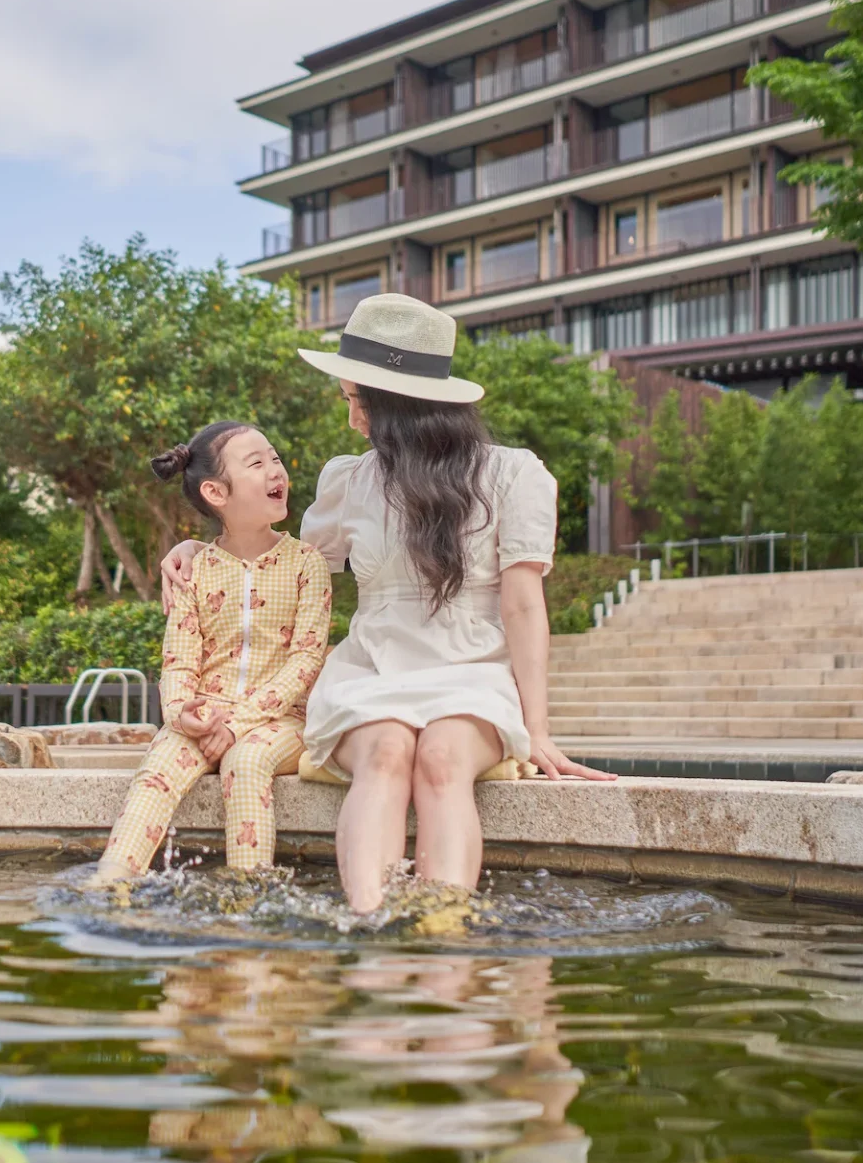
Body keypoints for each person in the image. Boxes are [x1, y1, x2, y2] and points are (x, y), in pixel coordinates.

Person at [163, 293, 612, 913]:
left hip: (473, 674)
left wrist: (536, 731)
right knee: (386, 751)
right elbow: (285, 563)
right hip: (370, 671)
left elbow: (524, 607)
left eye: (356, 400)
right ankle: (370, 923)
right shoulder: (349, 479)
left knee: (444, 757)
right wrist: (200, 544)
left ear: (399, 405)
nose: (351, 418)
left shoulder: (514, 475)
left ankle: (442, 934)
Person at [95, 421, 333, 882]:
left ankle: (249, 893)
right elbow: (179, 660)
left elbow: (306, 659)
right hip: (206, 713)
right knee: (156, 770)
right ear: (216, 492)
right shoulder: (195, 569)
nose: (275, 470)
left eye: (275, 458)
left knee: (245, 763)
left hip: (282, 720)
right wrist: (183, 714)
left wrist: (240, 723)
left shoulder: (306, 563)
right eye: (256, 463)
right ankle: (109, 883)